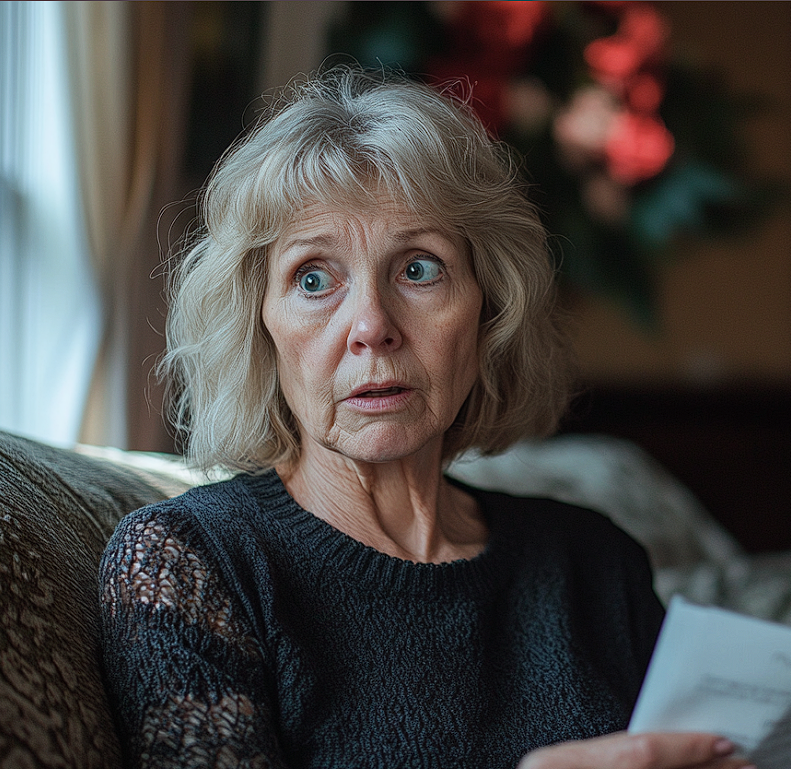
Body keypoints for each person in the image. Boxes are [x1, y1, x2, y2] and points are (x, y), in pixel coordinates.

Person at [99, 67, 752, 769]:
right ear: (259, 326)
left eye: (418, 268)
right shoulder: (187, 559)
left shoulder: (595, 562)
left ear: (487, 308)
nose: (372, 326)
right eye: (313, 278)